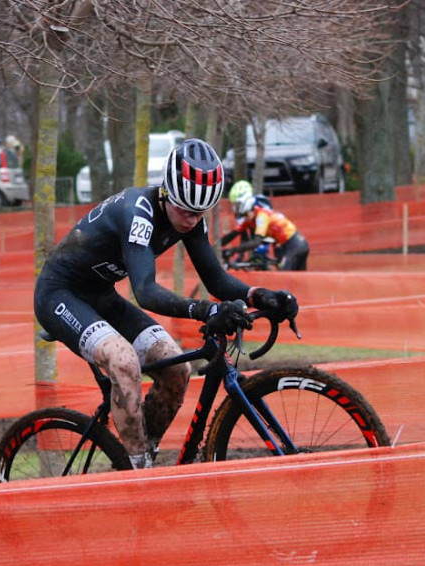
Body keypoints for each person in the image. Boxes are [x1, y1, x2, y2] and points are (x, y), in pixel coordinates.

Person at [34, 139, 298, 469]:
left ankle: (141, 455)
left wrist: (261, 295)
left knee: (176, 367)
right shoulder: (138, 212)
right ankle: (137, 472)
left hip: (100, 295)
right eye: (185, 211)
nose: (191, 220)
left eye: (200, 213)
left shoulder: (189, 213)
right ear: (167, 193)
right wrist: (206, 309)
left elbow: (216, 279)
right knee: (124, 361)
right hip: (59, 295)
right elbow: (145, 291)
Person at [228, 193, 309, 271]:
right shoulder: (258, 217)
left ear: (252, 209)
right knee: (297, 280)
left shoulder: (261, 216)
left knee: (283, 277)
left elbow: (256, 242)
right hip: (296, 242)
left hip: (294, 245)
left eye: (246, 214)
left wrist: (234, 250)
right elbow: (271, 238)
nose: (244, 218)